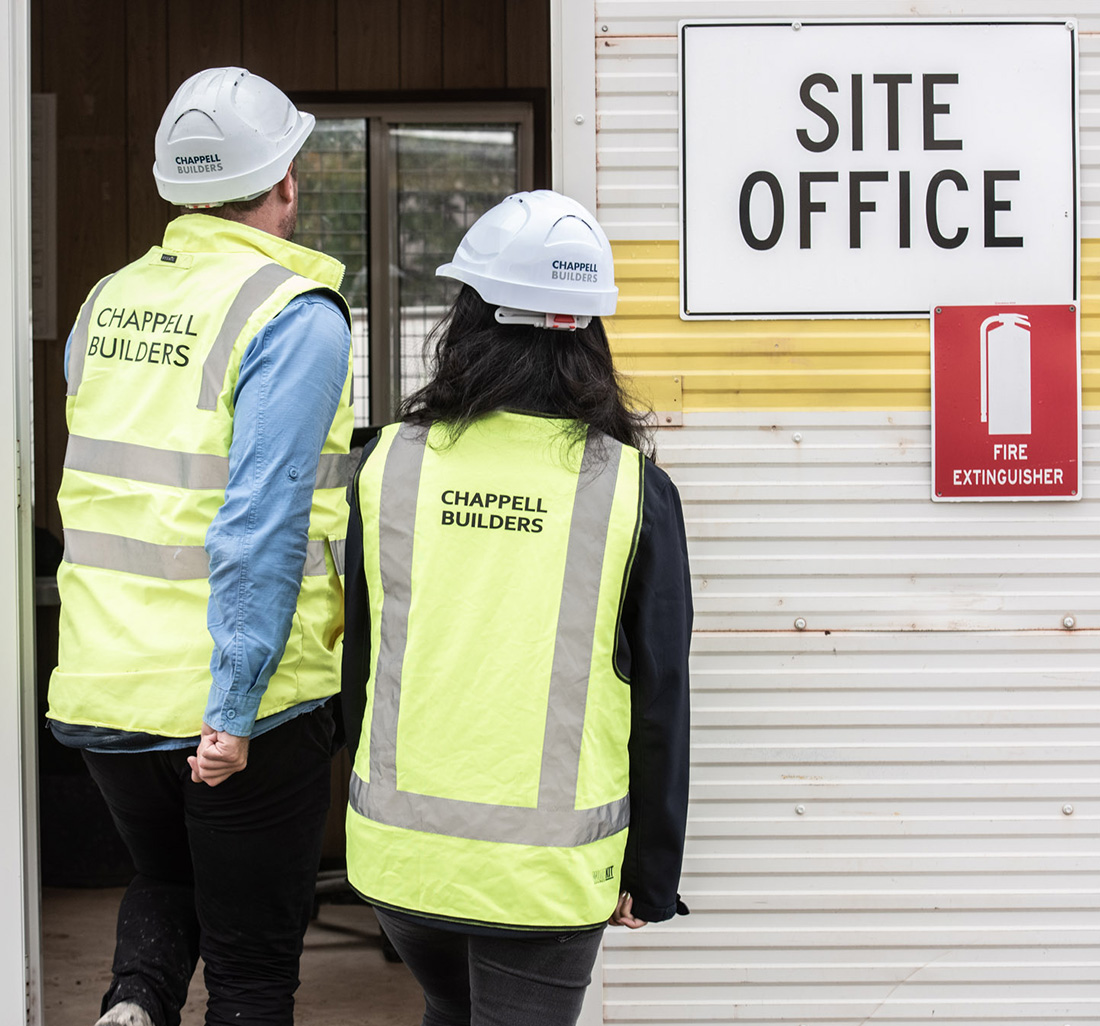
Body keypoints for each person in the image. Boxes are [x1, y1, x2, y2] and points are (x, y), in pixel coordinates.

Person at [46, 67, 353, 1026]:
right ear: (287, 181)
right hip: (238, 706)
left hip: (105, 688)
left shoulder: (107, 301)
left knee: (169, 877)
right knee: (254, 967)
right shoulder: (291, 314)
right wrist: (233, 707)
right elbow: (259, 522)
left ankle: (133, 1003)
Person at [341, 190, 692, 1026]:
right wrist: (653, 868)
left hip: (401, 863)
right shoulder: (631, 491)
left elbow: (362, 659)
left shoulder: (389, 462)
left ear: (467, 319)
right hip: (546, 880)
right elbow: (660, 696)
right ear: (588, 334)